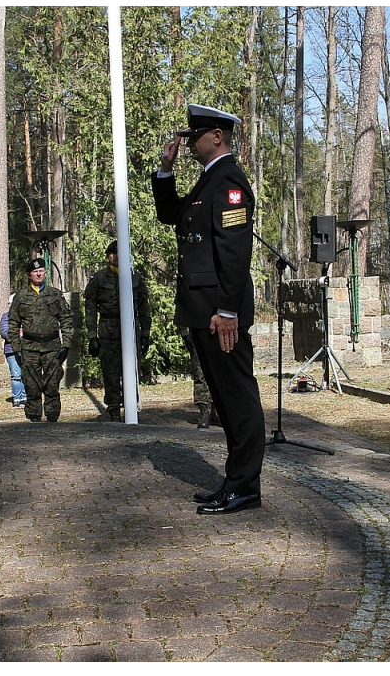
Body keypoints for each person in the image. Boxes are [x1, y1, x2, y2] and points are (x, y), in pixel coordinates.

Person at [152, 103, 266, 515]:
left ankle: (245, 486)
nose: (188, 142)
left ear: (216, 135)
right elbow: (170, 214)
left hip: (221, 313)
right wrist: (166, 170)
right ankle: (234, 481)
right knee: (224, 399)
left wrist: (228, 310)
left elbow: (234, 253)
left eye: (193, 135)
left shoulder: (229, 181)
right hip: (204, 310)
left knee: (238, 399)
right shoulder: (208, 181)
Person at [84, 240, 152, 423]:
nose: (116, 257)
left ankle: (132, 407)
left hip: (131, 329)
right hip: (108, 331)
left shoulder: (135, 277)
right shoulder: (98, 279)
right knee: (111, 373)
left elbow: (144, 307)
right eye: (113, 254)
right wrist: (92, 336)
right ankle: (114, 410)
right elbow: (90, 308)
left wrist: (146, 334)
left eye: (119, 253)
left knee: (131, 370)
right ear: (108, 256)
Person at [8, 257, 73, 423]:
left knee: (52, 384)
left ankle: (52, 417)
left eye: (41, 271)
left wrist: (66, 344)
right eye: (35, 271)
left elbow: (66, 319)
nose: (39, 274)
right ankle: (34, 417)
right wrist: (16, 348)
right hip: (29, 347)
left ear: (45, 272)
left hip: (52, 346)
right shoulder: (21, 297)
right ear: (30, 275)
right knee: (32, 385)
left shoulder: (55, 294)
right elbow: (13, 323)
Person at [179, 325, 216, 429]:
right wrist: (185, 334)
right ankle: (204, 412)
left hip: (218, 330)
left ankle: (216, 412)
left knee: (219, 374)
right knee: (200, 373)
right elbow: (183, 309)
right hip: (198, 331)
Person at [0, 294, 27, 408]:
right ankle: (17, 398)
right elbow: (4, 333)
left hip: (27, 348)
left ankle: (25, 397)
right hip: (11, 350)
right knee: (16, 375)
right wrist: (19, 334)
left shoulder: (27, 317)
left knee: (26, 374)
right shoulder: (6, 317)